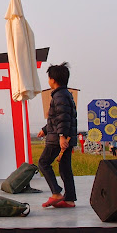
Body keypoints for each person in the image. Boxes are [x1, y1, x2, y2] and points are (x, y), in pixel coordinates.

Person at [37, 62, 77, 208]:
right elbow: (57, 118)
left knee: (43, 163)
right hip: (64, 136)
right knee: (65, 168)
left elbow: (63, 118)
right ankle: (69, 199)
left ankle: (56, 193)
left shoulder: (59, 96)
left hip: (58, 139)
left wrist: (61, 135)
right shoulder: (66, 95)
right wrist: (45, 129)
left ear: (53, 80)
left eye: (49, 78)